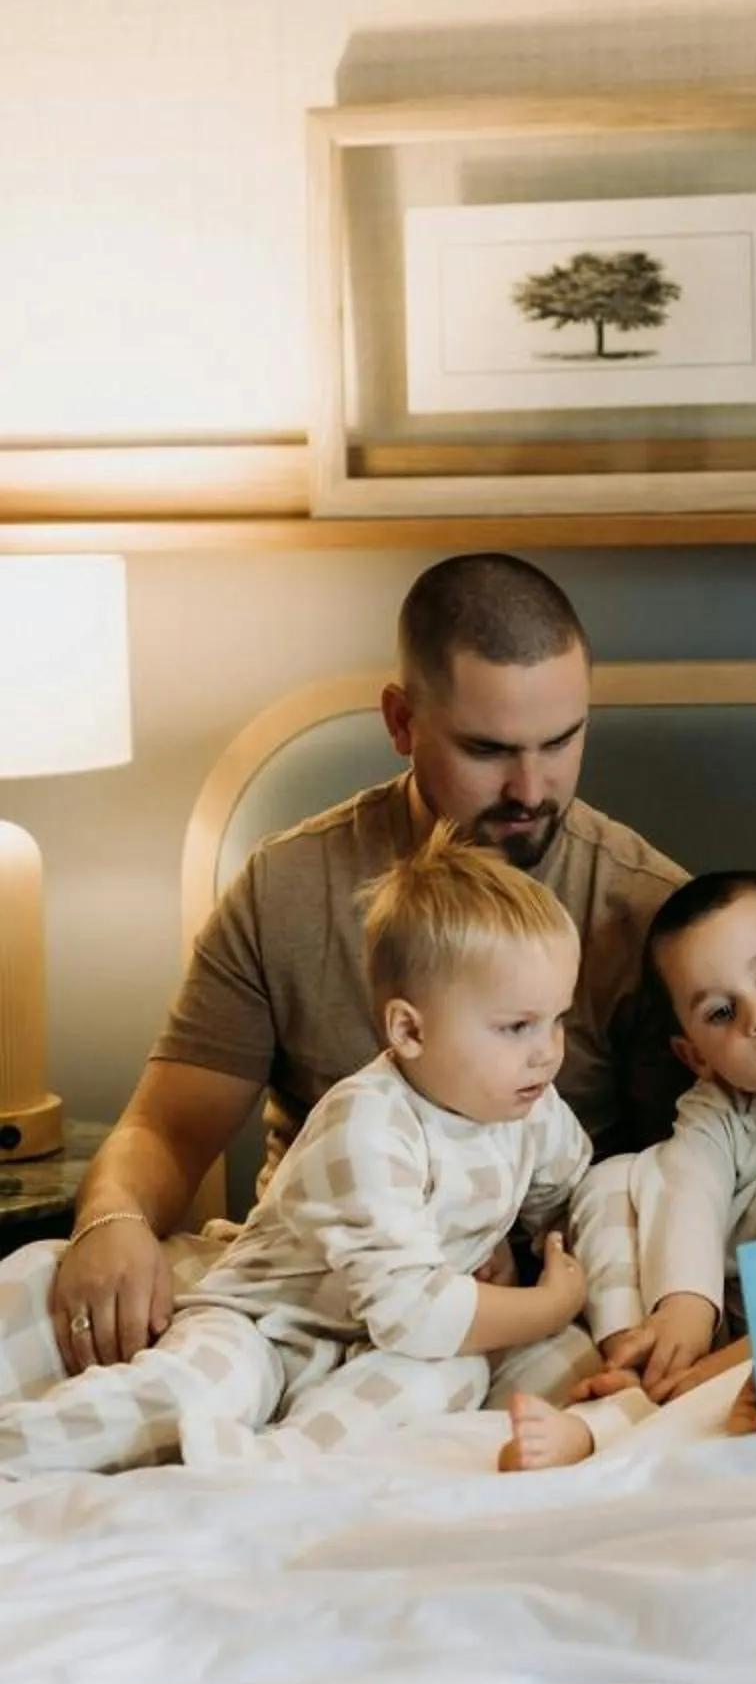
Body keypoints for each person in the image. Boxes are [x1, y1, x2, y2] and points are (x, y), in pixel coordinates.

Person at [39, 553, 685, 1383]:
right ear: (401, 722)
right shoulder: (288, 886)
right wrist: (112, 1221)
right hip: (299, 1289)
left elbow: (668, 1180)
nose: (533, 786)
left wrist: (535, 1275)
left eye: (561, 741)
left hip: (509, 1307)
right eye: (488, 749)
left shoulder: (646, 909)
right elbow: (166, 1129)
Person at [0, 833, 595, 1473]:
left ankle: (281, 1469)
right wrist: (551, 1303)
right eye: (518, 1026)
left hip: (371, 1342)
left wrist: (526, 1249)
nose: (548, 1050)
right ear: (410, 1030)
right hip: (268, 1324)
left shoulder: (530, 1106)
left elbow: (569, 1196)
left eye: (557, 1019)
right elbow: (412, 1311)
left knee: (466, 1375)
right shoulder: (368, 1121)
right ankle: (24, 1448)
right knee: (200, 1389)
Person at [500, 869, 756, 1470]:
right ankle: (640, 1370)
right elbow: (690, 1187)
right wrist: (687, 1307)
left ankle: (645, 1401)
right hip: (714, 1322)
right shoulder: (722, 1109)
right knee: (618, 1178)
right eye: (720, 1013)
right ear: (694, 1055)